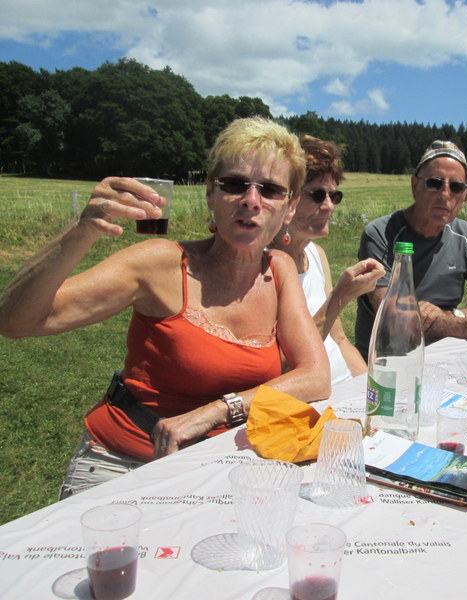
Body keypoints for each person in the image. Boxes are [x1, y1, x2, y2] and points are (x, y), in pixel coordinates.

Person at [0, 116, 330, 498]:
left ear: (289, 207)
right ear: (211, 194)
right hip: (124, 464)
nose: (251, 200)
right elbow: (15, 321)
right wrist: (83, 229)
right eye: (235, 184)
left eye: (270, 190)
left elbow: (315, 375)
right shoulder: (160, 263)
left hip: (220, 466)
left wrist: (216, 411)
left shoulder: (278, 269)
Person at [354, 140, 467, 358]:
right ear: (415, 186)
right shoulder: (381, 233)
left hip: (444, 355)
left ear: (466, 195)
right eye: (434, 183)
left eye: (456, 187)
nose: (445, 194)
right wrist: (460, 326)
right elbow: (392, 318)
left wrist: (452, 315)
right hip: (387, 361)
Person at [276, 135, 384, 384]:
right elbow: (280, 364)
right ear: (288, 198)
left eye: (333, 196)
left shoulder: (316, 254)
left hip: (344, 389)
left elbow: (340, 340)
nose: (329, 206)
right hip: (309, 397)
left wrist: (370, 388)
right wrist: (340, 297)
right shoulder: (262, 266)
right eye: (317, 195)